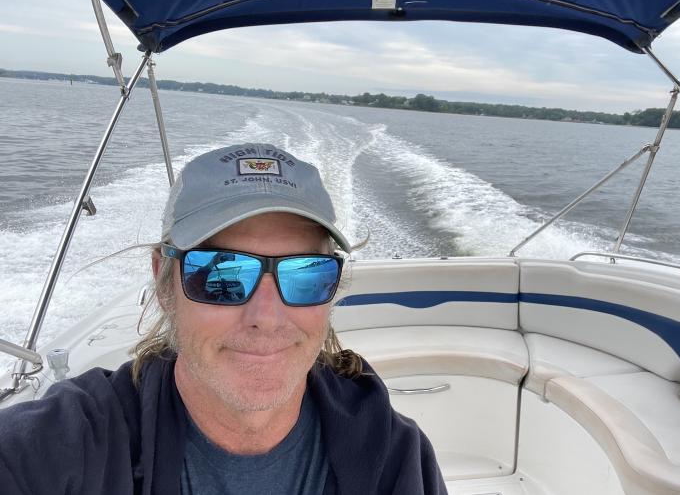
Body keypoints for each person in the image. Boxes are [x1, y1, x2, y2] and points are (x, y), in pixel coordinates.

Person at [0, 143, 447, 494]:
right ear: (164, 281)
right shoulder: (67, 445)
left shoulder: (395, 454)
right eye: (220, 274)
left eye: (306, 274)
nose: (267, 318)